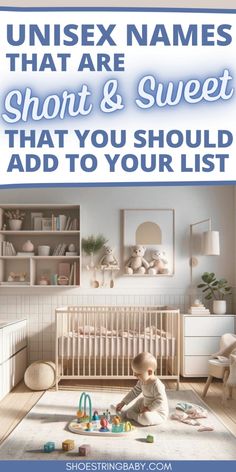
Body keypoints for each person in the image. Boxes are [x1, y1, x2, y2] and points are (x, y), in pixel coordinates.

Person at [116, 352, 169, 426]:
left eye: (138, 374)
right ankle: (126, 413)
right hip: (145, 405)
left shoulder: (157, 385)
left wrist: (149, 408)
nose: (135, 376)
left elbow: (160, 400)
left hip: (158, 413)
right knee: (140, 401)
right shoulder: (141, 381)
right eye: (134, 373)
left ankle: (134, 416)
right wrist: (123, 402)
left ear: (149, 372)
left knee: (146, 418)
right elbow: (134, 392)